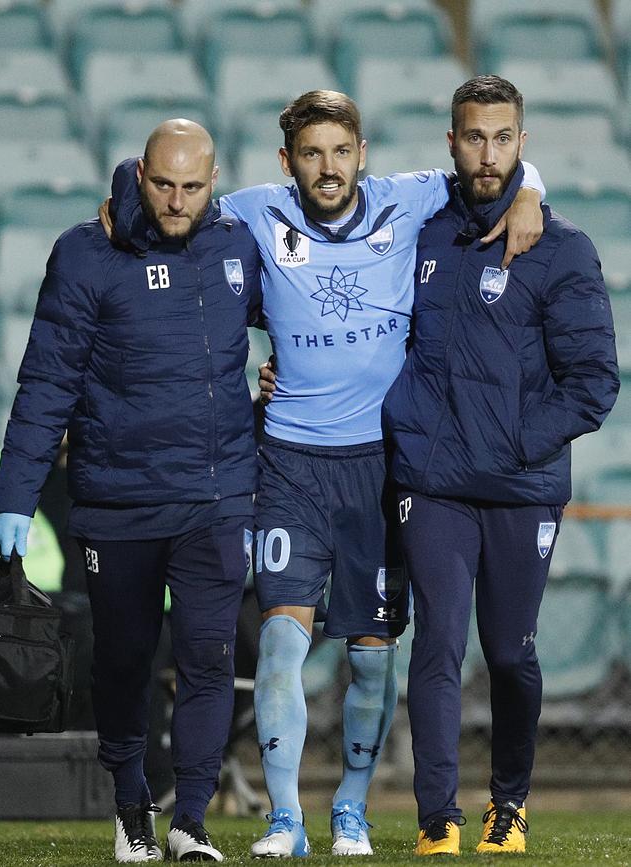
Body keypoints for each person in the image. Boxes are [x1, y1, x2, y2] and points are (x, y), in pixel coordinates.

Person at [102, 89, 545, 858]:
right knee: (281, 646)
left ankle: (349, 808)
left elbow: (494, 169)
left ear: (362, 153)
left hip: (383, 471)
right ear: (287, 162)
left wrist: (532, 186)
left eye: (342, 151)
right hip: (290, 466)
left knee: (372, 662)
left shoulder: (407, 202)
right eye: (312, 154)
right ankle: (284, 818)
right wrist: (117, 199)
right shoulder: (251, 213)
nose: (328, 168)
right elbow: (159, 194)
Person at [0, 120, 262, 863]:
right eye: (164, 184)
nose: (177, 202)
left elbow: (303, 317)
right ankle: (131, 805)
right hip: (116, 499)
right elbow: (46, 381)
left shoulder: (241, 245)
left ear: (216, 181)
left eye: (193, 187)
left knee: (209, 654)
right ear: (140, 173)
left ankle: (193, 818)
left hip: (216, 495)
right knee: (124, 660)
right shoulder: (85, 253)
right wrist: (14, 493)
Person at [381, 76, 620, 857]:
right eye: (474, 137)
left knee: (512, 652)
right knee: (439, 642)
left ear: (524, 142)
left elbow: (594, 383)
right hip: (435, 484)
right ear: (450, 141)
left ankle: (509, 803)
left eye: (503, 138)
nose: (489, 155)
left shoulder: (563, 248)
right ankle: (435, 817)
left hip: (521, 487)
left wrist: (514, 442)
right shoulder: (417, 232)